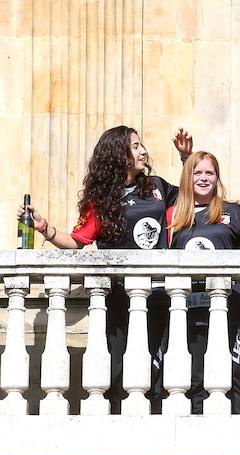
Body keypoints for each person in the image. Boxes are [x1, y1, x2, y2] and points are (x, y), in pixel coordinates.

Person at [18, 125, 184, 412]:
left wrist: (186, 158)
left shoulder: (157, 186)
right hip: (119, 296)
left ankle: (154, 420)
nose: (143, 151)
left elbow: (194, 199)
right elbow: (75, 242)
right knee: (118, 362)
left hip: (158, 294)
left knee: (159, 361)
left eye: (141, 145)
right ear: (117, 154)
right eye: (135, 146)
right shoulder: (102, 200)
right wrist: (44, 227)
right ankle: (118, 418)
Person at [167, 151, 240, 413]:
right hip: (190, 309)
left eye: (210, 173)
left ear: (217, 178)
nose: (204, 178)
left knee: (233, 373)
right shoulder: (174, 216)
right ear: (187, 176)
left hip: (231, 309)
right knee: (195, 375)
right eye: (198, 172)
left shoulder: (233, 212)